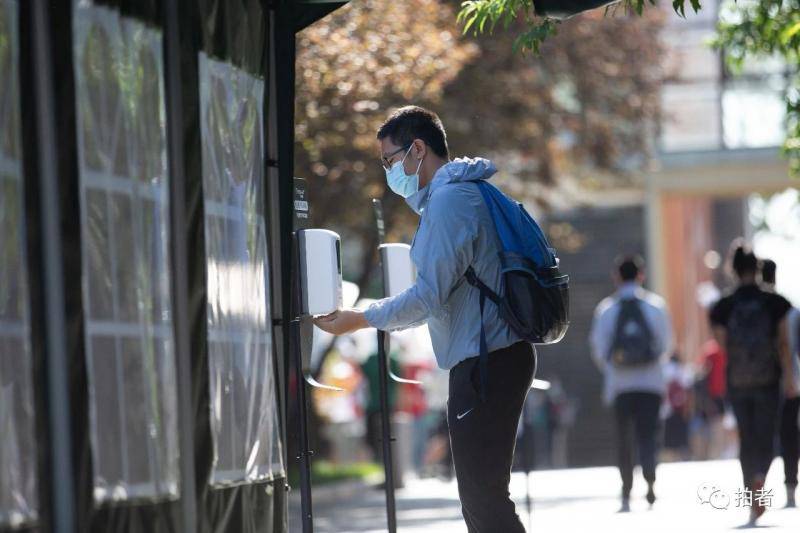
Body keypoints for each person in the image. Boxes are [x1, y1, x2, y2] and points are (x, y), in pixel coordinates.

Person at [314, 106, 535, 532]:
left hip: (486, 361)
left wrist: (359, 318)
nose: (389, 172)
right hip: (492, 357)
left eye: (391, 160)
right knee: (483, 495)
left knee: (483, 498)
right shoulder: (463, 192)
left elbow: (428, 297)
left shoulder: (451, 201)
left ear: (418, 148)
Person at [709, 244, 797, 524]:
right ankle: (761, 475)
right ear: (757, 269)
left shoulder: (723, 306)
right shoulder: (776, 303)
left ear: (732, 269)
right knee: (767, 435)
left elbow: (723, 345)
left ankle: (751, 497)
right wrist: (790, 377)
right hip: (769, 378)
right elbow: (784, 344)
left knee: (746, 438)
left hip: (738, 379)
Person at [589, 255, 674, 512]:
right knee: (648, 435)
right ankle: (650, 483)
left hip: (620, 385)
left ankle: (626, 489)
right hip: (651, 384)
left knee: (624, 437)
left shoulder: (606, 309)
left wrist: (616, 367)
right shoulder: (656, 306)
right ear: (641, 275)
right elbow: (667, 345)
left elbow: (598, 348)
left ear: (616, 276)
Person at [761, 259, 799, 507]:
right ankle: (789, 486)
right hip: (789, 382)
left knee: (758, 435)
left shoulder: (748, 305)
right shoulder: (787, 309)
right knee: (788, 434)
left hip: (754, 383)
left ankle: (757, 485)